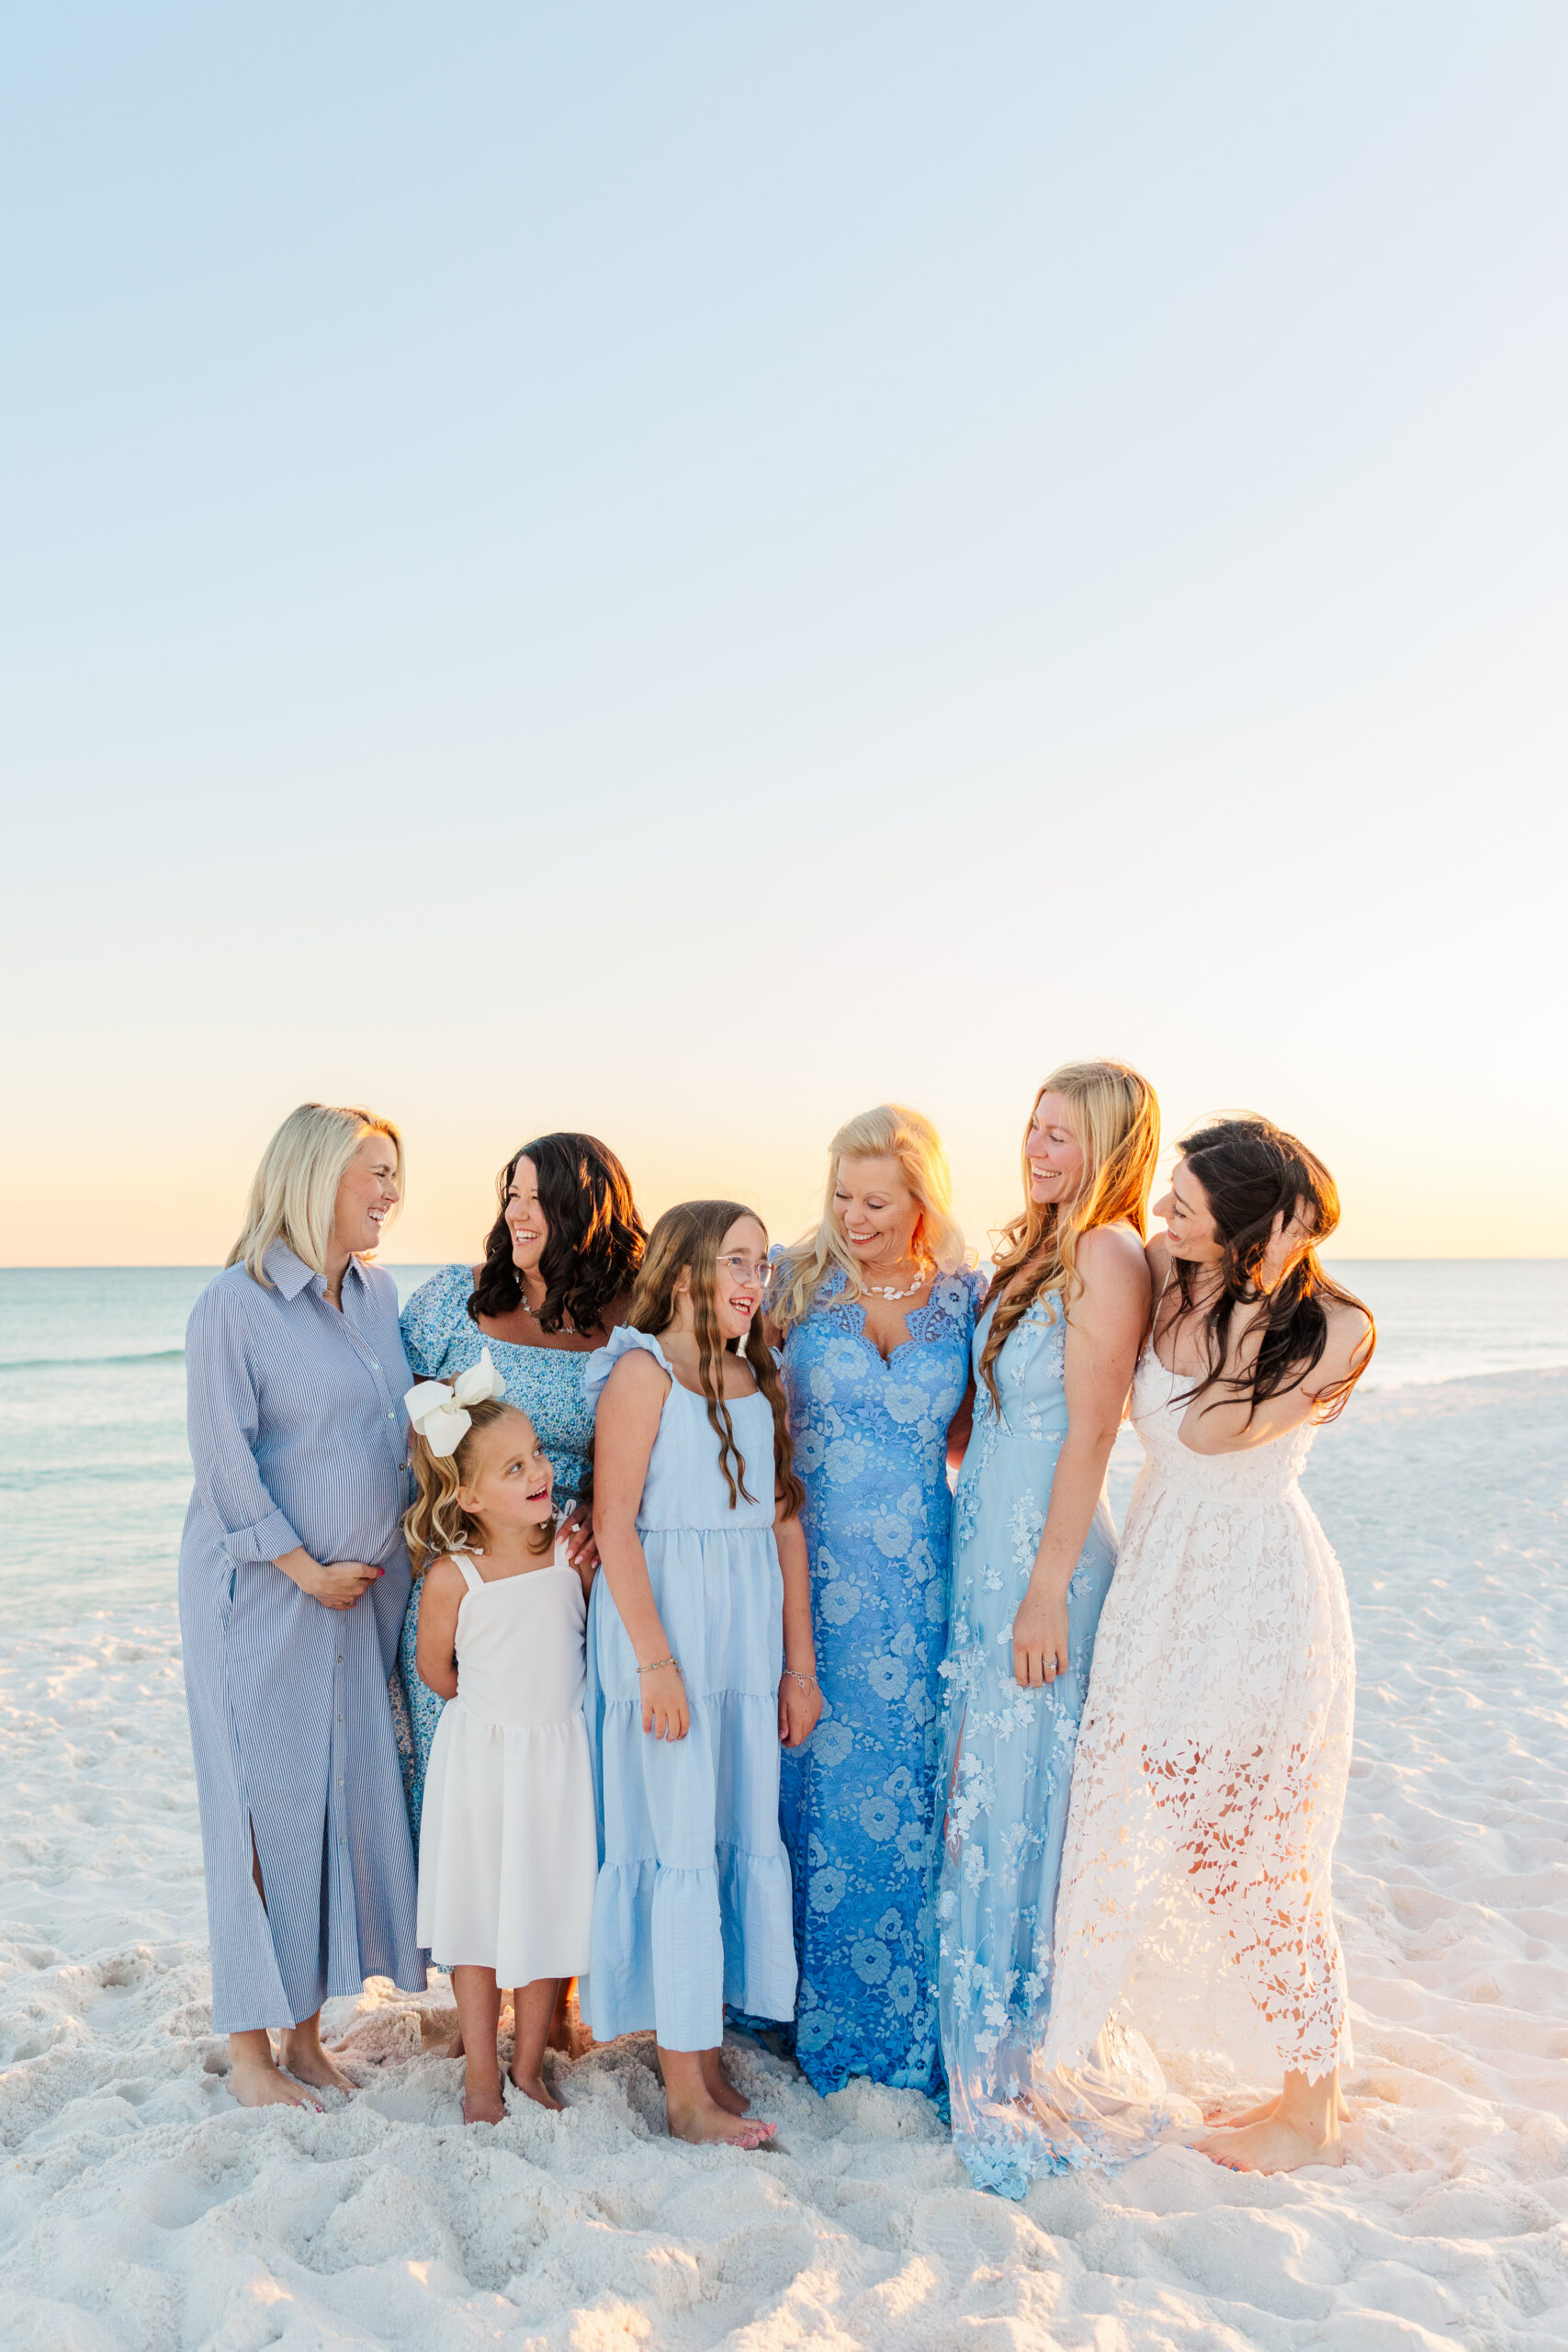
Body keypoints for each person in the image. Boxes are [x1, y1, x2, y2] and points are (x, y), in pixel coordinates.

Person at [1042, 1117, 1374, 2176]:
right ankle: (1299, 2070)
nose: (1164, 1211)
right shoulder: (1164, 1272)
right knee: (1196, 1829)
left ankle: (1311, 2101)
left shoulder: (1336, 1323)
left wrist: (1264, 1279)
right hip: (1161, 1586)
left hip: (1256, 1595)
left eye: (1187, 1201)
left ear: (1248, 1226)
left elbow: (1210, 1431)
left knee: (1258, 1847)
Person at [936, 1059, 1160, 2197]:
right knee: (985, 1783)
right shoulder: (1033, 1247)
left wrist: (1045, 1582)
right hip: (991, 1537)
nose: (1037, 1147)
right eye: (1032, 1127)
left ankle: (1009, 2048)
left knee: (1023, 1798)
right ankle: (968, 2024)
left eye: (1063, 1134)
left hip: (1049, 1556)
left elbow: (1091, 1432)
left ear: (1112, 1146)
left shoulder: (1110, 1252)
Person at [179, 1102, 424, 2111]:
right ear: (316, 1175)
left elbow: (393, 1435)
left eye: (395, 1176)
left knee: (326, 1809)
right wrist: (300, 1564)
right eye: (375, 1174)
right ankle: (248, 2055)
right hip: (263, 1597)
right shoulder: (231, 1306)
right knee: (254, 1809)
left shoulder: (378, 1296)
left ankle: (309, 2039)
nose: (390, 1195)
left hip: (356, 1605)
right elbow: (225, 1462)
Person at [585, 1201, 822, 2147]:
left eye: (762, 1264)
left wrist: (797, 1666)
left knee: (730, 1828)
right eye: (736, 1260)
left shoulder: (754, 1375)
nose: (754, 1281)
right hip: (666, 1638)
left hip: (743, 1644)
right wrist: (656, 1662)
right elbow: (613, 1527)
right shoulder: (640, 1374)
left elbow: (782, 1524)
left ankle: (709, 2059)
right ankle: (684, 2093)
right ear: (683, 1269)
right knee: (679, 1836)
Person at [763, 1104, 982, 2097]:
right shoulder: (790, 1281)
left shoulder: (966, 1302)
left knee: (905, 1796)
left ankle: (896, 2019)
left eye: (877, 1200)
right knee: (807, 1788)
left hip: (922, 1581)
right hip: (810, 1571)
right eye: (842, 1197)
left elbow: (977, 1441)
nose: (854, 1217)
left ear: (921, 1199)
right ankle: (786, 2008)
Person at [397, 1132, 644, 1847]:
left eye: (540, 1198)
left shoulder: (634, 1316)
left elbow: (661, 1432)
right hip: (470, 1581)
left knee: (560, 1789)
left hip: (574, 1580)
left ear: (588, 1209)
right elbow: (400, 1431)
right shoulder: (454, 1301)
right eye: (512, 1195)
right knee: (463, 1785)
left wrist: (603, 1494)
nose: (519, 1214)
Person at [403, 1352, 598, 2124]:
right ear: (470, 1496)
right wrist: (495, 1714)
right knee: (478, 1921)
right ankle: (481, 2074)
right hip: (482, 1766)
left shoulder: (569, 1556)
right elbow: (434, 1670)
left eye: (539, 1456)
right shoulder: (456, 1576)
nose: (538, 1472)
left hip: (558, 1761)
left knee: (551, 1906)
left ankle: (529, 2066)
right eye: (514, 1467)